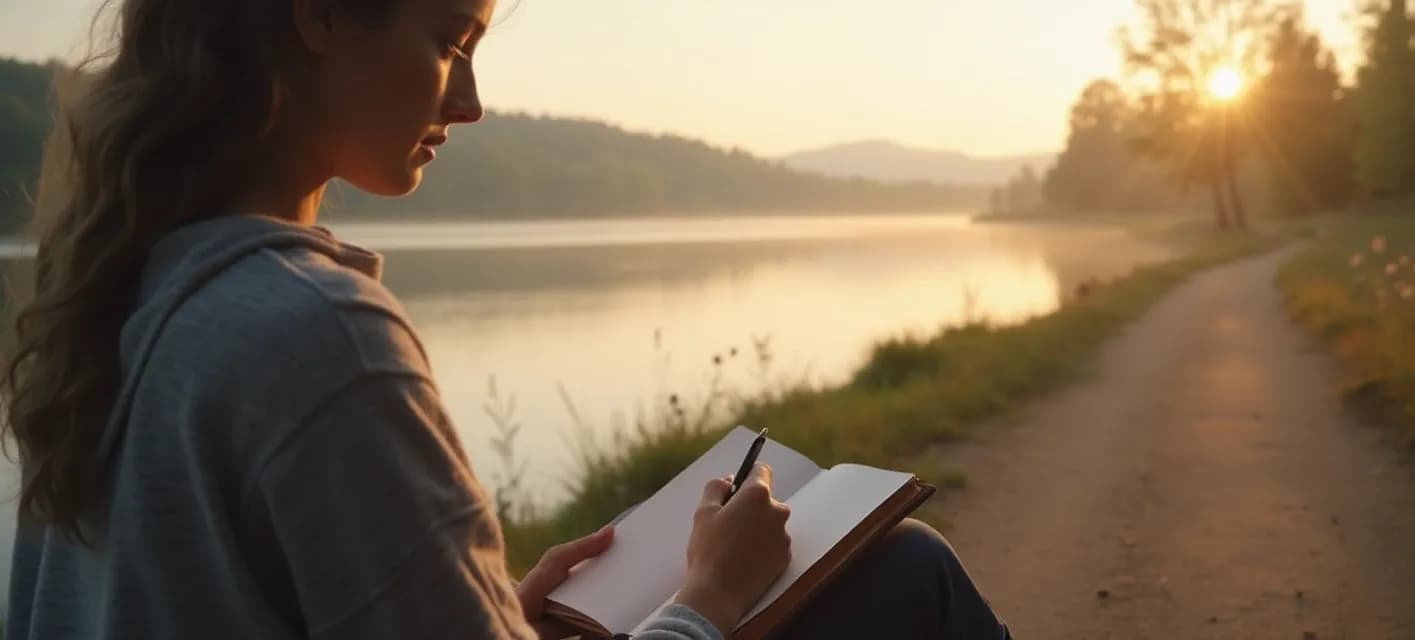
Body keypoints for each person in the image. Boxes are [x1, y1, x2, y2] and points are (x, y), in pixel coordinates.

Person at [1, 1, 1012, 638]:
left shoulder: (120, 300)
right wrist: (702, 600)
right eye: (450, 41)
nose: (474, 101)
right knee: (909, 579)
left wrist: (496, 608)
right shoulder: (319, 334)